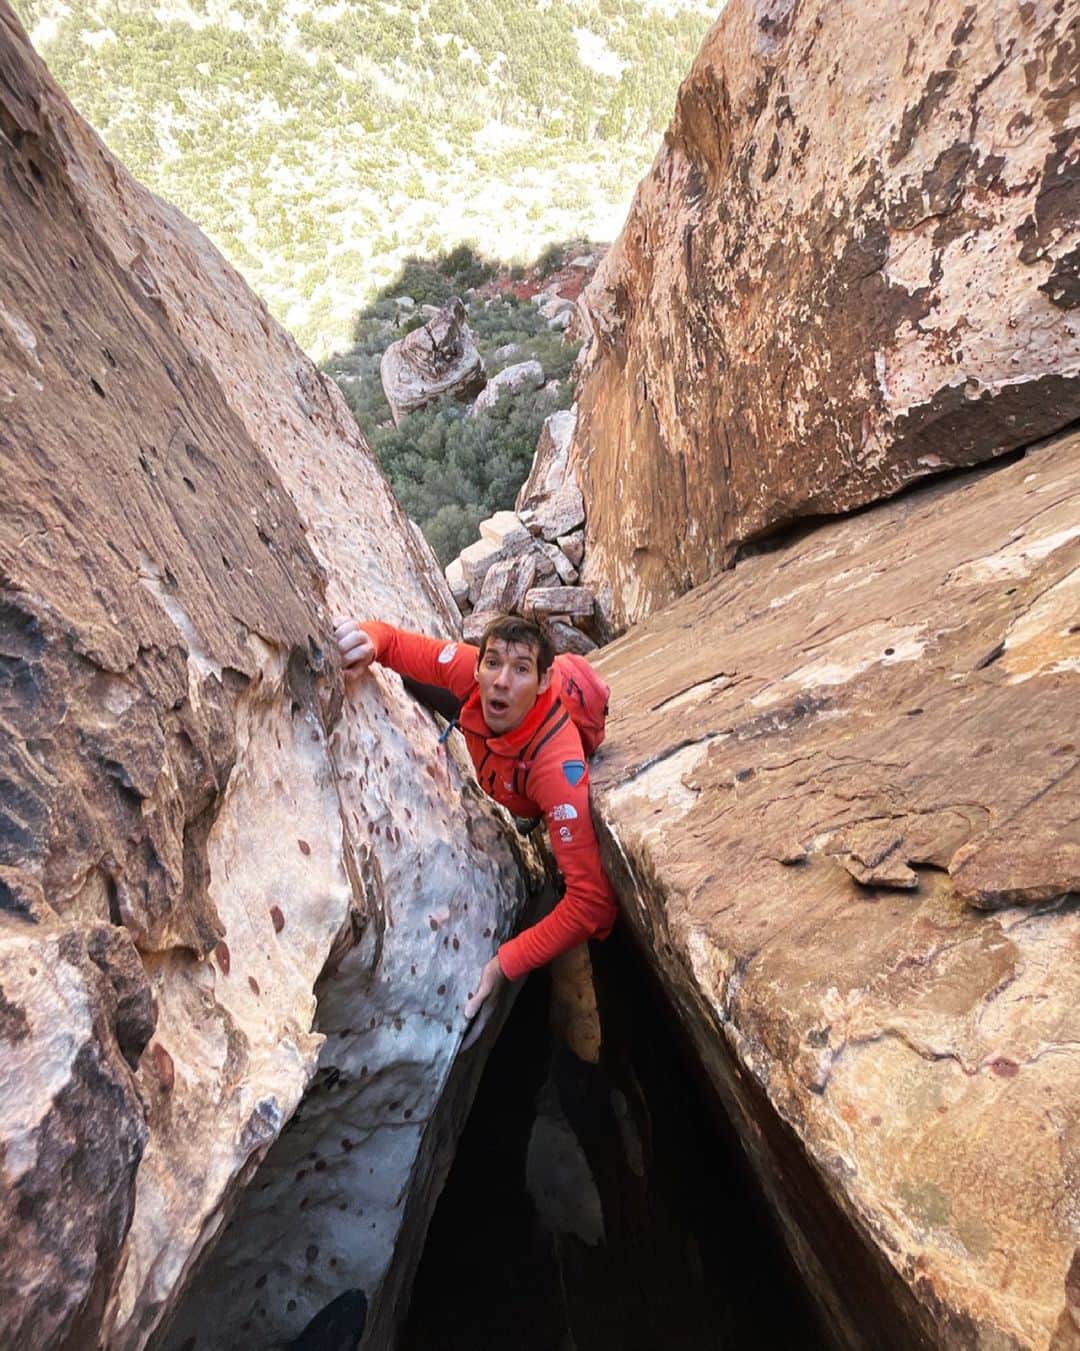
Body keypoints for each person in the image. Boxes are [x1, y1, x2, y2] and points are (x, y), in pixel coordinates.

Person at [333, 613, 618, 1020]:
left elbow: (593, 903)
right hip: (499, 756)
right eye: (493, 663)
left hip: (530, 781)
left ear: (542, 682)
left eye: (521, 668)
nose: (501, 680)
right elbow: (394, 641)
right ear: (479, 663)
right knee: (416, 677)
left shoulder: (557, 772)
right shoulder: (475, 675)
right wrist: (367, 641)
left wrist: (505, 962)